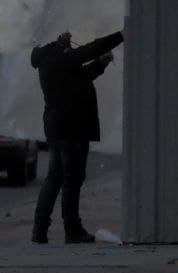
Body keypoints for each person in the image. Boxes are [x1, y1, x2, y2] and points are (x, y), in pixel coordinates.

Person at [30, 28, 124, 244]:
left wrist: (101, 63)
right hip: (73, 126)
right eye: (62, 35)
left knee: (55, 178)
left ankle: (39, 229)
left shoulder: (48, 60)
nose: (67, 36)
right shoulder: (59, 56)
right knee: (71, 180)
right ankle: (72, 230)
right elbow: (90, 49)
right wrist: (120, 36)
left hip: (57, 128)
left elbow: (79, 78)